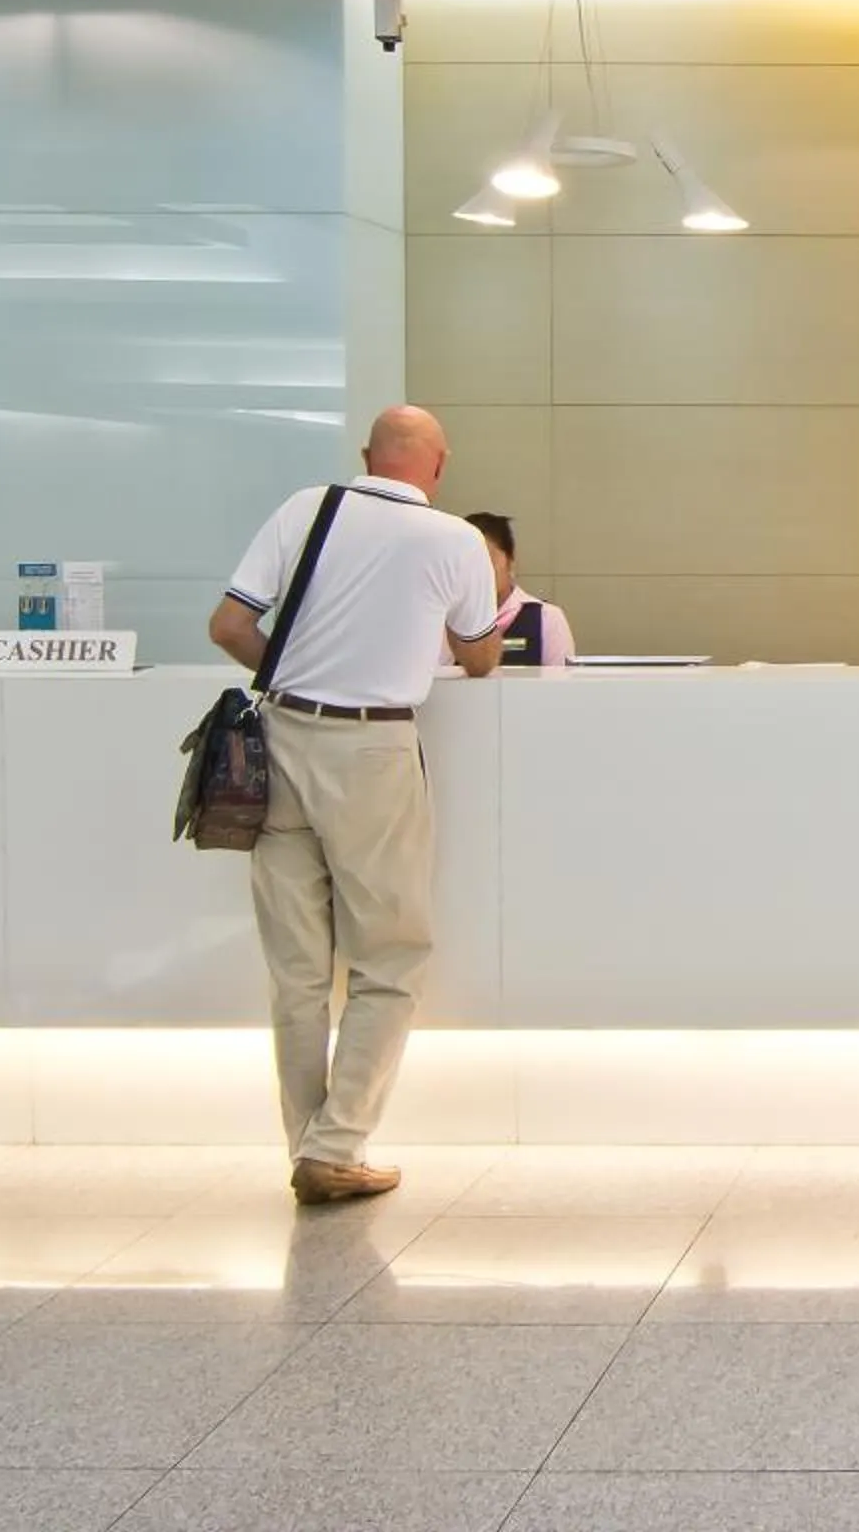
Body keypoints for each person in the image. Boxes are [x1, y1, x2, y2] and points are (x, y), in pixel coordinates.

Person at [207, 406, 502, 1205]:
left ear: (367, 455)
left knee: (297, 971)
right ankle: (335, 1147)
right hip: (373, 749)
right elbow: (479, 656)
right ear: (439, 466)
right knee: (389, 958)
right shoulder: (454, 541)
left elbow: (229, 625)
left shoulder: (306, 508)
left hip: (282, 740)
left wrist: (296, 674)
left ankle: (308, 1144)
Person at [461, 512, 577, 668]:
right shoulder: (445, 622)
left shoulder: (547, 618)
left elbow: (560, 682)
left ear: (510, 559)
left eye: (487, 561)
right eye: (468, 564)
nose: (478, 573)